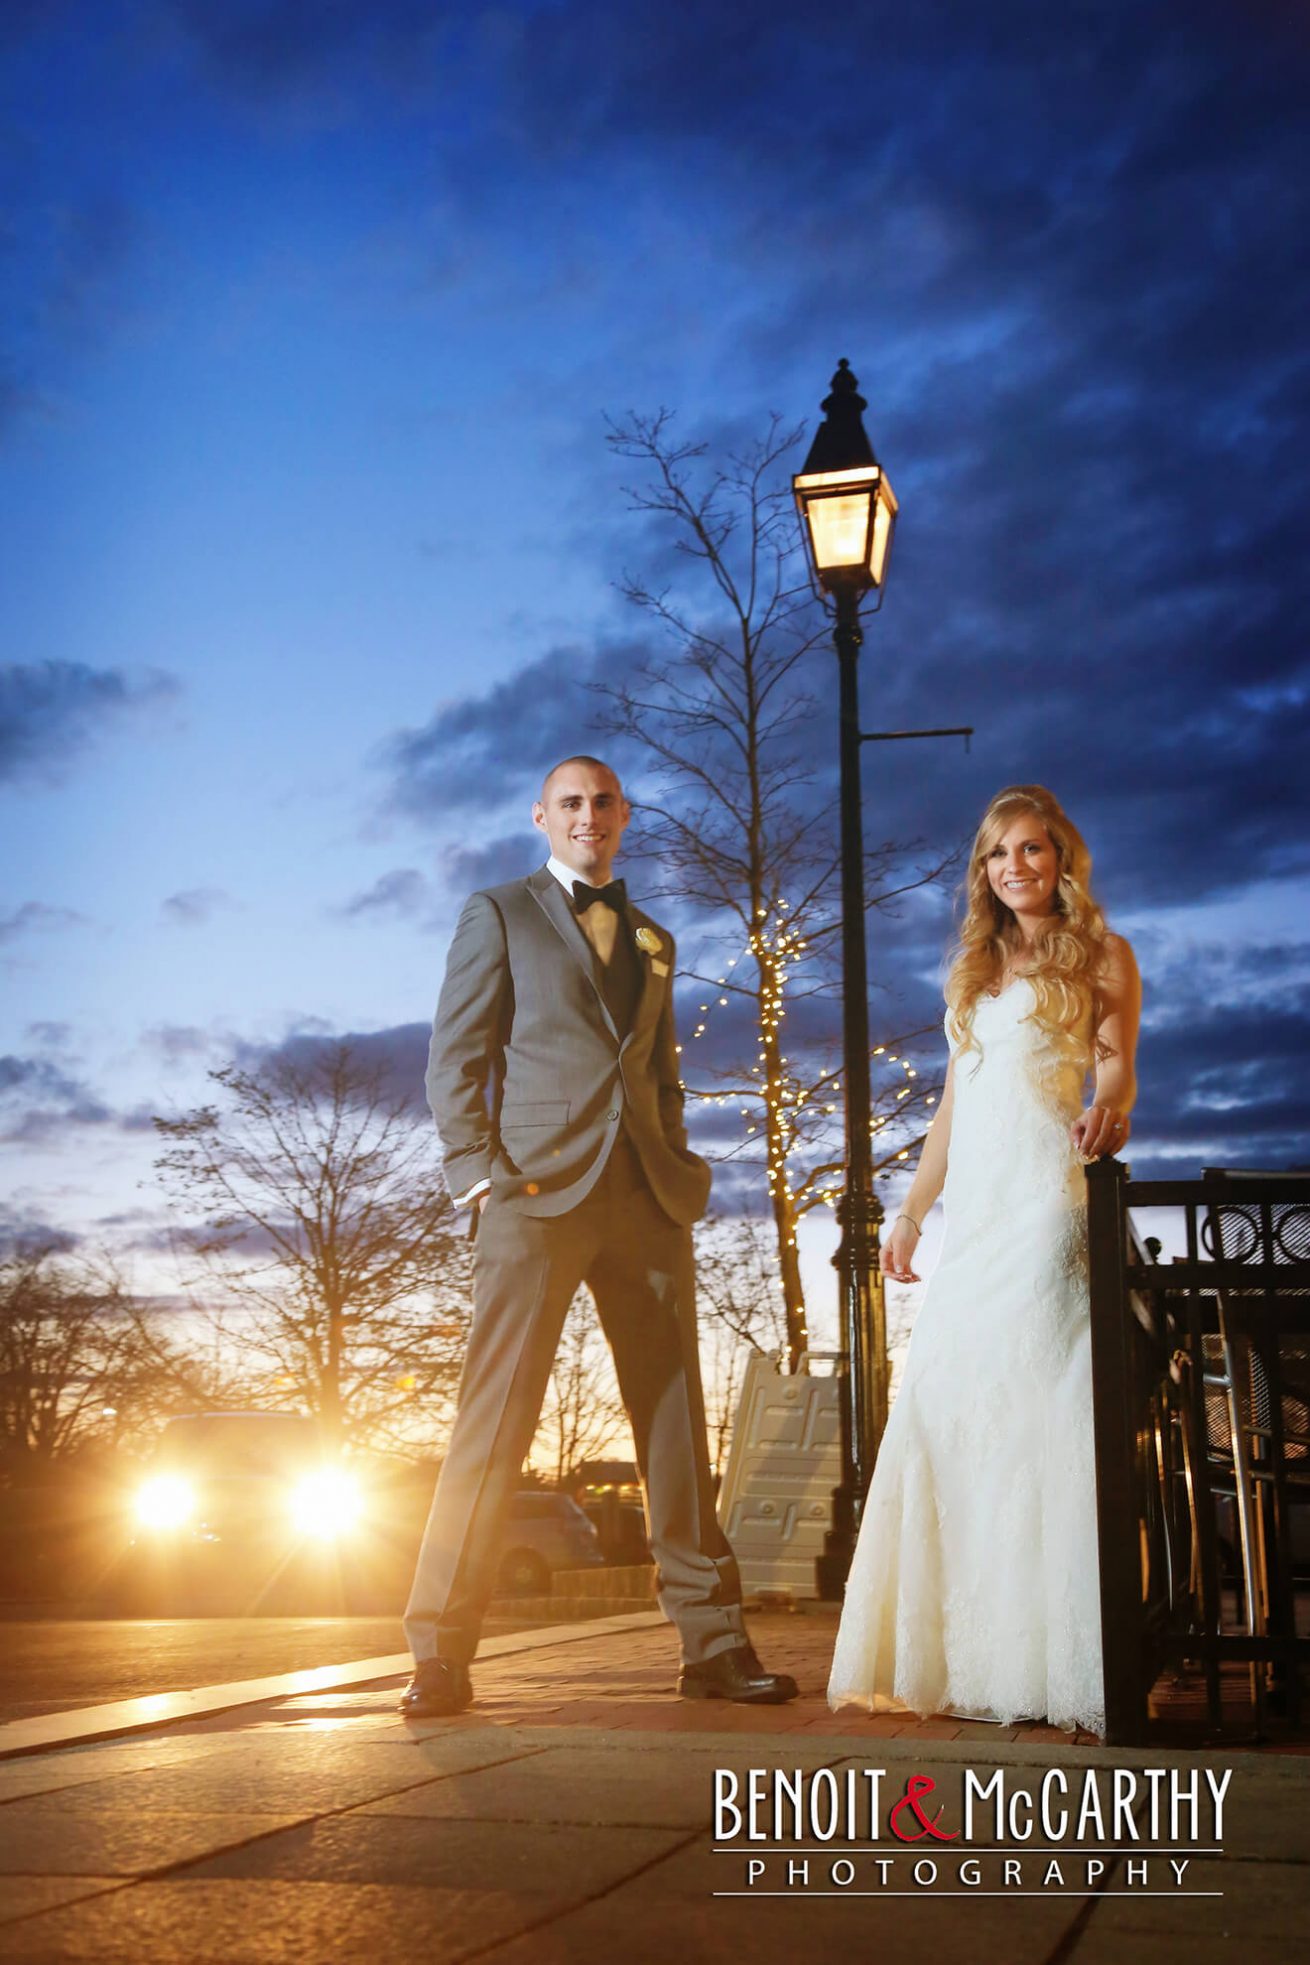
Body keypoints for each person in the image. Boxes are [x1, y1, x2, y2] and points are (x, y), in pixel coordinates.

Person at [401, 754, 797, 1715]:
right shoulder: (497, 913)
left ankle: (711, 1644)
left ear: (625, 816)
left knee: (674, 1426)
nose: (589, 815)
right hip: (532, 1197)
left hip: (648, 1201)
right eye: (571, 802)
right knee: (492, 1426)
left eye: (604, 801)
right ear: (542, 816)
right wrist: (476, 1178)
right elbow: (455, 1057)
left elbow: (659, 1071)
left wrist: (678, 1161)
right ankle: (438, 1651)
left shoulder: (656, 936)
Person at [827, 784, 1141, 1737]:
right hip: (977, 1217)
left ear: (1062, 857)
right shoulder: (973, 967)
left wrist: (1111, 1104)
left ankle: (1063, 1662)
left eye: (1034, 849)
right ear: (985, 871)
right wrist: (912, 1214)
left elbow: (1119, 1058)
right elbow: (951, 1115)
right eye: (1000, 853)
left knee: (1046, 1414)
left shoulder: (1104, 952)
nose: (1018, 866)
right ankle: (969, 1655)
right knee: (946, 1409)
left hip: (1050, 1198)